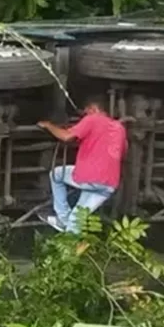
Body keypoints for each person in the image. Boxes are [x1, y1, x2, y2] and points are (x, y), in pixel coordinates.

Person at [37, 94, 128, 234]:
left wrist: (49, 125)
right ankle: (70, 246)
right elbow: (121, 153)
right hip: (108, 185)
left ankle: (61, 216)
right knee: (76, 219)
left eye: (85, 113)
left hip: (89, 177)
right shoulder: (119, 128)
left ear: (93, 109)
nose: (84, 116)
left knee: (56, 174)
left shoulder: (92, 119)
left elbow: (66, 136)